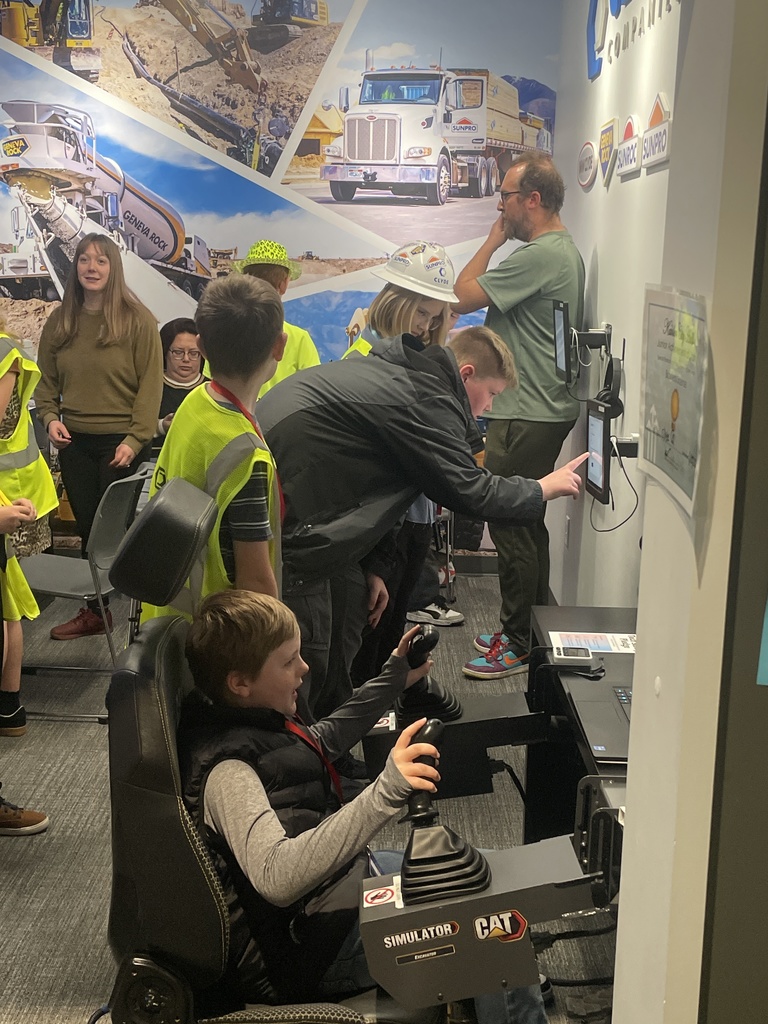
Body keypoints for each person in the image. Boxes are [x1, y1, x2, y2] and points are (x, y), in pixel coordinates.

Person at [179, 589, 547, 1023]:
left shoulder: (250, 718)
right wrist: (386, 790)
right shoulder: (228, 772)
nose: (304, 668)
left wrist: (393, 679)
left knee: (488, 874)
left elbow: (319, 741)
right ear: (239, 682)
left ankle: (507, 996)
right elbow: (276, 876)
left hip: (337, 894)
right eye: (288, 662)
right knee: (488, 926)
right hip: (312, 948)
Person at [258, 269, 587, 721]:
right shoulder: (422, 396)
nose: (489, 408)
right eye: (490, 394)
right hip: (302, 523)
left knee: (341, 648)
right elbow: (468, 489)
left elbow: (378, 484)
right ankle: (317, 766)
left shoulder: (404, 373)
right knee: (315, 662)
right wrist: (541, 488)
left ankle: (334, 756)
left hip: (314, 509)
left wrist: (374, 566)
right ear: (466, 374)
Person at [452, 153, 585, 679]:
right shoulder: (560, 252)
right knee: (527, 522)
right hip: (537, 408)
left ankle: (516, 641)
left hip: (527, 410)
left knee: (509, 520)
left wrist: (492, 239)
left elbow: (462, 296)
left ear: (533, 199)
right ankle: (527, 630)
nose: (501, 207)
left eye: (506, 197)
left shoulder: (540, 255)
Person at [36, 232, 163, 641]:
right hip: (74, 443)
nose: (92, 268)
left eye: (101, 261)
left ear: (114, 267)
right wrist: (50, 417)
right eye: (85, 260)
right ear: (75, 267)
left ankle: (134, 617)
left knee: (112, 535)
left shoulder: (138, 320)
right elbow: (45, 382)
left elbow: (150, 387)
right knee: (89, 532)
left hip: (121, 445)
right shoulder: (62, 319)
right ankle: (99, 612)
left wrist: (135, 437)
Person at [344, 244, 459, 687]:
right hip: (382, 525)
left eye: (436, 319)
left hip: (416, 516)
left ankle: (384, 723)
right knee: (370, 638)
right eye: (423, 314)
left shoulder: (420, 359)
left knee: (391, 629)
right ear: (398, 301)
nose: (427, 326)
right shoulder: (364, 359)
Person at [141, 274, 285, 622]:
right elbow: (256, 584)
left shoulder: (195, 403)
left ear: (202, 349)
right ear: (279, 347)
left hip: (166, 615)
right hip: (221, 637)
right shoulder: (246, 454)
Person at [0, 323, 59, 736]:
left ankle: (8, 705)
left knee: (8, 599)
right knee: (10, 598)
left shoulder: (5, 353)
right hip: (11, 492)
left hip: (13, 496)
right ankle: (9, 708)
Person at [233, 240, 320, 398]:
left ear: (245, 280)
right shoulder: (300, 339)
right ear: (284, 283)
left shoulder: (224, 333)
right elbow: (313, 396)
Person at [153, 317, 207, 454]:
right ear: (165, 352)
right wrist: (161, 427)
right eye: (178, 352)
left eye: (194, 353)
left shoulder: (212, 389)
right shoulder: (150, 385)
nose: (186, 359)